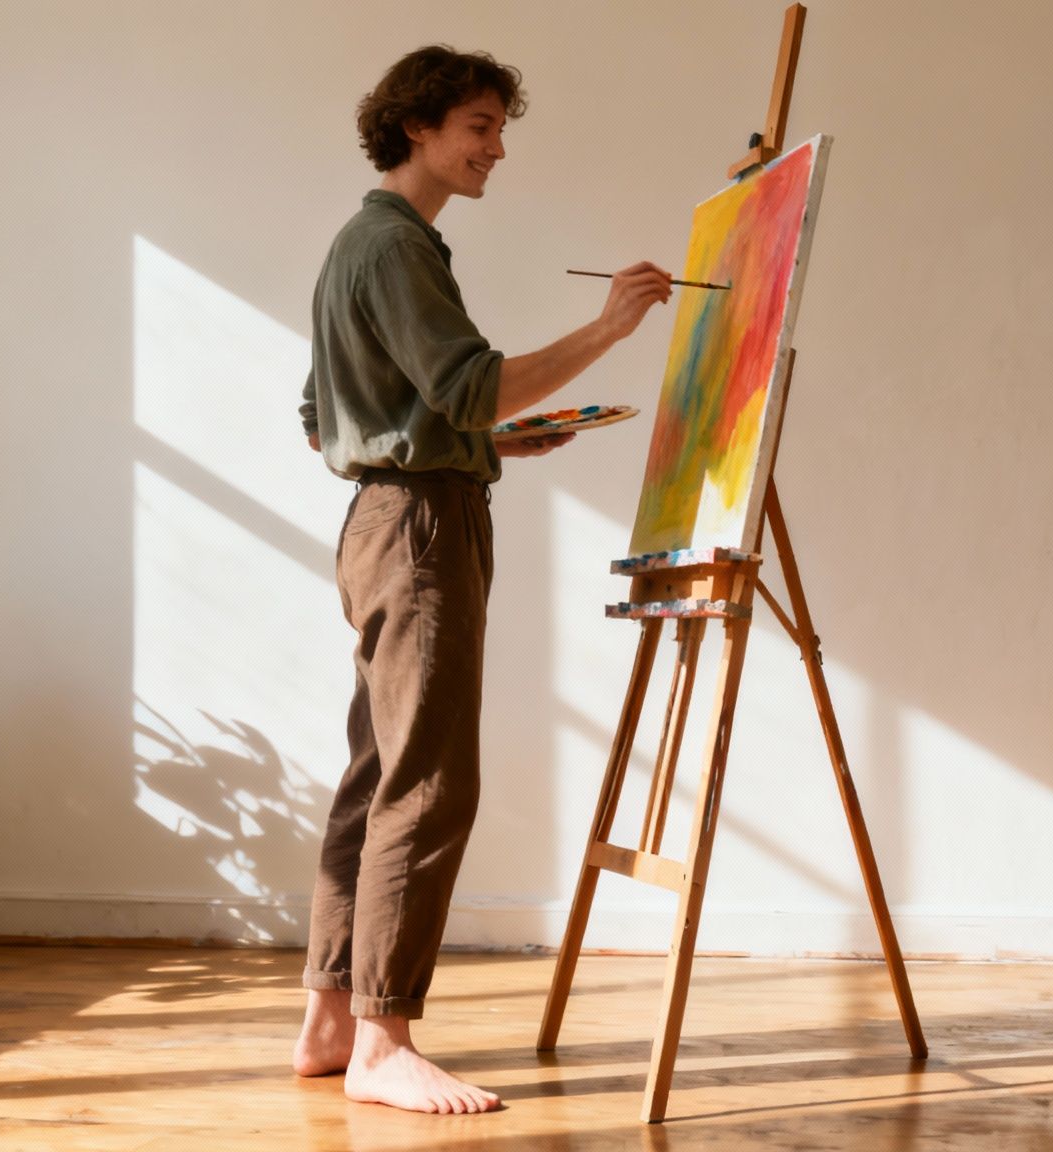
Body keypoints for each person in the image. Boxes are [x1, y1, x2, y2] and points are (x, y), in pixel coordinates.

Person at [291, 45, 672, 1115]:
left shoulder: (363, 243)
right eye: (479, 126)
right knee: (426, 783)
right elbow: (468, 386)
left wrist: (487, 441)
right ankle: (382, 1044)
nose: (496, 149)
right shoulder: (394, 245)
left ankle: (333, 1020)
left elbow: (326, 415)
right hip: (419, 529)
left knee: (380, 774)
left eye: (500, 128)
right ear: (416, 125)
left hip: (387, 518)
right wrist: (608, 329)